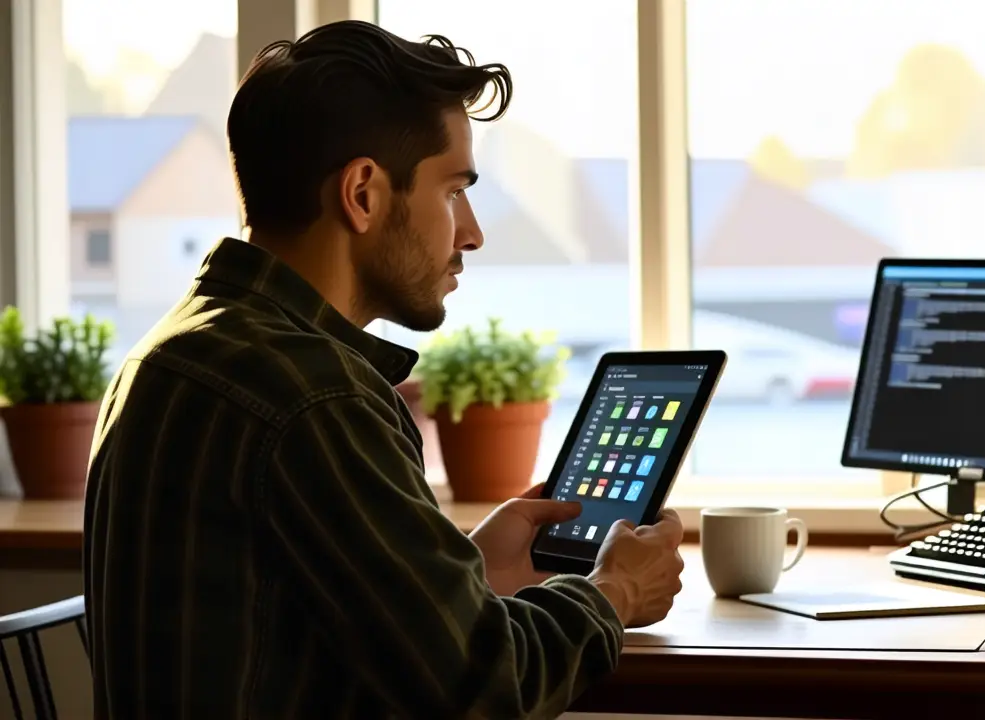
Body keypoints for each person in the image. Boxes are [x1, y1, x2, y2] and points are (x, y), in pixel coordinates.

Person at [82, 19, 685, 719]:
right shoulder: (314, 397)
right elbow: (484, 690)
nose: (472, 232)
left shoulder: (170, 351)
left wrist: (469, 570)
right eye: (453, 189)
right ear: (363, 193)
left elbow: (286, 608)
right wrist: (616, 592)